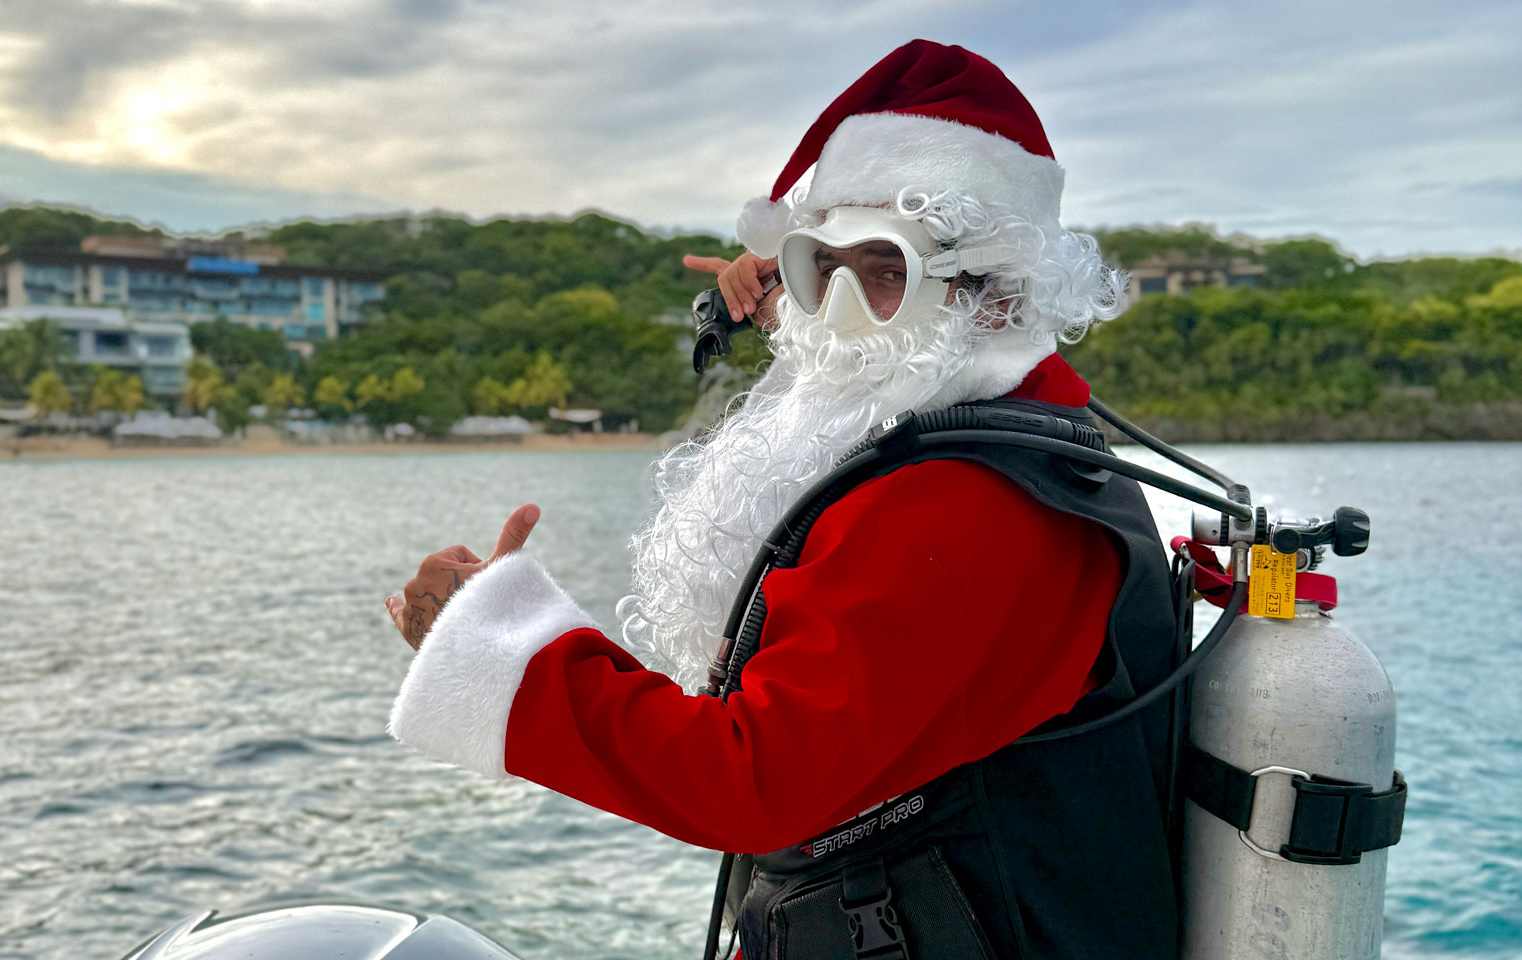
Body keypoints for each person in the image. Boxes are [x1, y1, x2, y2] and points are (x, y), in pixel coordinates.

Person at [386, 40, 1180, 960]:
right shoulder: (1021, 438)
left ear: (998, 297)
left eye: (887, 270)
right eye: (818, 268)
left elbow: (753, 782)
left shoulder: (961, 508)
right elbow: (862, 347)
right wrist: (803, 289)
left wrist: (500, 650)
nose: (835, 312)